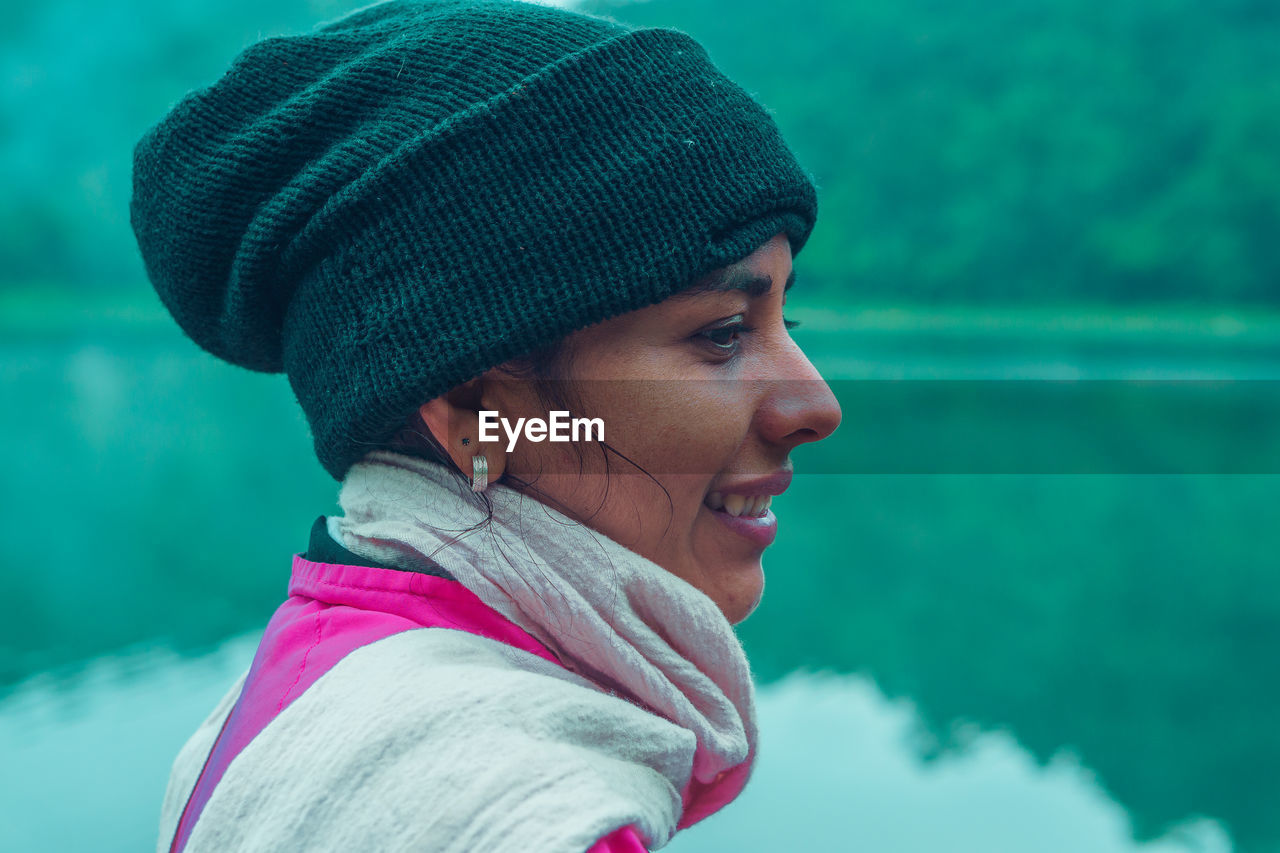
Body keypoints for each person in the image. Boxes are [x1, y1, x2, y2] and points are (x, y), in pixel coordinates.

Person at [130, 0, 841, 850]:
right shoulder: (525, 815)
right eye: (722, 335)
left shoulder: (311, 678)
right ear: (477, 415)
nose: (814, 407)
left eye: (784, 329)